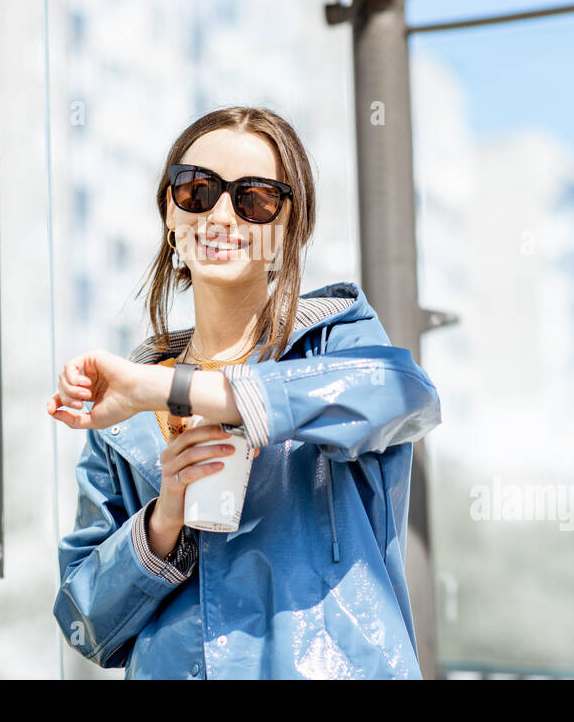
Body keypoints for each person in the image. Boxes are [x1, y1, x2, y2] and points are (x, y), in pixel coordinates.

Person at [48, 105, 442, 679]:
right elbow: (85, 622)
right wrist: (162, 524)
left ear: (288, 226)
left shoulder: (334, 341)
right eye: (197, 190)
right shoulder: (128, 410)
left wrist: (175, 388)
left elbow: (407, 395)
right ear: (168, 212)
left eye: (255, 199)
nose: (222, 215)